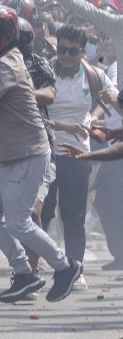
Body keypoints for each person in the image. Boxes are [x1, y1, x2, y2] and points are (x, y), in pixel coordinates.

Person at [0, 5, 82, 303]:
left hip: (26, 151)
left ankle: (65, 266)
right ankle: (24, 272)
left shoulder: (5, 65)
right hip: (3, 153)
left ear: (5, 35)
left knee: (18, 221)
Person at [42, 24, 115, 280]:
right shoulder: (45, 72)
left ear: (83, 52)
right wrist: (62, 126)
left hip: (78, 153)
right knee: (43, 211)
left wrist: (93, 119)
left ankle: (75, 269)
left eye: (72, 51)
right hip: (45, 151)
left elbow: (111, 100)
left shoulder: (94, 75)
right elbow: (31, 110)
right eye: (61, 49)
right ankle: (35, 266)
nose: (65, 56)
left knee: (74, 215)